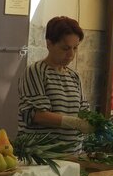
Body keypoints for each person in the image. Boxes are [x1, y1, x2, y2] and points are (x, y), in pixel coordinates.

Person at [17, 15, 91, 152]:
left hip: (72, 156)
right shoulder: (36, 72)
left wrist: (93, 123)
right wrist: (73, 123)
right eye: (65, 48)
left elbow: (84, 111)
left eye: (75, 48)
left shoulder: (74, 77)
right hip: (42, 157)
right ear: (49, 44)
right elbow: (36, 115)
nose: (71, 54)